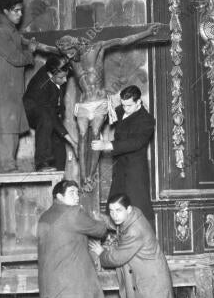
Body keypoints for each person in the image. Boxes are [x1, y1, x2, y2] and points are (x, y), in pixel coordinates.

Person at [56, 23, 160, 191]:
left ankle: (90, 176)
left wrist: (146, 33)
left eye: (71, 52)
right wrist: (25, 42)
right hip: (84, 101)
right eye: (65, 54)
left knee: (95, 134)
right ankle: (83, 178)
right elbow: (44, 47)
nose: (68, 56)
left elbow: (123, 40)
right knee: (83, 136)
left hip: (98, 101)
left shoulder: (96, 49)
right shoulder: (71, 60)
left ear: (76, 46)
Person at [0, 0, 57, 173]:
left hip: (10, 91)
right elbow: (16, 57)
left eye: (21, 10)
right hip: (4, 92)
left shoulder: (9, 29)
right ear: (6, 11)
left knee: (5, 130)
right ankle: (8, 168)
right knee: (8, 130)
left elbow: (20, 40)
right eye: (16, 10)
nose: (20, 14)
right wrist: (31, 52)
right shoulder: (0, 31)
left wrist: (39, 44)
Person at [89, 193, 176, 298]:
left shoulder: (135, 230)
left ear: (128, 209)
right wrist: (101, 218)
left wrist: (101, 253)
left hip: (152, 286)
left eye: (118, 210)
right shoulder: (134, 215)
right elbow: (116, 223)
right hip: (147, 282)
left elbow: (117, 258)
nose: (114, 215)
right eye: (111, 211)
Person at [37, 180, 113, 298]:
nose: (77, 197)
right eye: (72, 193)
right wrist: (99, 219)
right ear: (59, 196)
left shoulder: (43, 217)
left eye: (77, 193)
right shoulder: (73, 212)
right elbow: (100, 230)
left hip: (51, 286)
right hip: (74, 285)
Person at [91, 85, 155, 226]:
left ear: (139, 102)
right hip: (119, 170)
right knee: (115, 210)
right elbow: (109, 113)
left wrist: (108, 145)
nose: (125, 108)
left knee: (138, 211)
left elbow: (136, 143)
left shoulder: (147, 120)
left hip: (135, 173)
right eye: (123, 104)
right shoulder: (121, 110)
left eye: (129, 105)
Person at [23, 56, 77, 171]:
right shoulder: (40, 86)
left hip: (50, 110)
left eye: (66, 76)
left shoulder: (59, 70)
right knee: (47, 120)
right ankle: (41, 163)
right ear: (49, 75)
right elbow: (50, 115)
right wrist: (73, 142)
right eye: (61, 77)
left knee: (59, 146)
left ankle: (60, 176)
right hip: (32, 110)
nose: (65, 80)